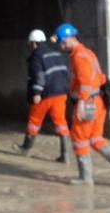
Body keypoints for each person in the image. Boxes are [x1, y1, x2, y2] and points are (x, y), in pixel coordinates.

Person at [56, 23, 110, 186]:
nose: (61, 46)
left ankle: (85, 177)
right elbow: (99, 78)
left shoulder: (78, 57)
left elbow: (85, 82)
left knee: (79, 137)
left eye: (62, 42)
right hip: (98, 102)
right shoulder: (88, 53)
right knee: (95, 138)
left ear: (71, 38)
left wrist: (81, 102)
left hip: (87, 103)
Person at [14, 29, 72, 163]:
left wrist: (36, 93)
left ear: (34, 43)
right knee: (61, 122)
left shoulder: (37, 56)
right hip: (61, 93)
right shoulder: (57, 53)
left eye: (31, 44)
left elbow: (38, 75)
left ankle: (26, 149)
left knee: (34, 121)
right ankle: (66, 155)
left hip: (46, 94)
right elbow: (65, 72)